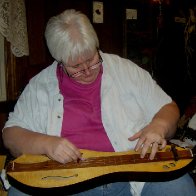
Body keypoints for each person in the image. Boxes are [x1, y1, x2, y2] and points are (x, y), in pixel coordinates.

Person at [2, 9, 196, 196]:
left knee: (180, 188)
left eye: (92, 59)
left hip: (132, 174)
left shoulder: (126, 70)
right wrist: (46, 144)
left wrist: (159, 125)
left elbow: (168, 108)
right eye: (76, 66)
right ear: (59, 60)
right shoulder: (40, 85)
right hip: (64, 180)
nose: (87, 71)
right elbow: (11, 135)